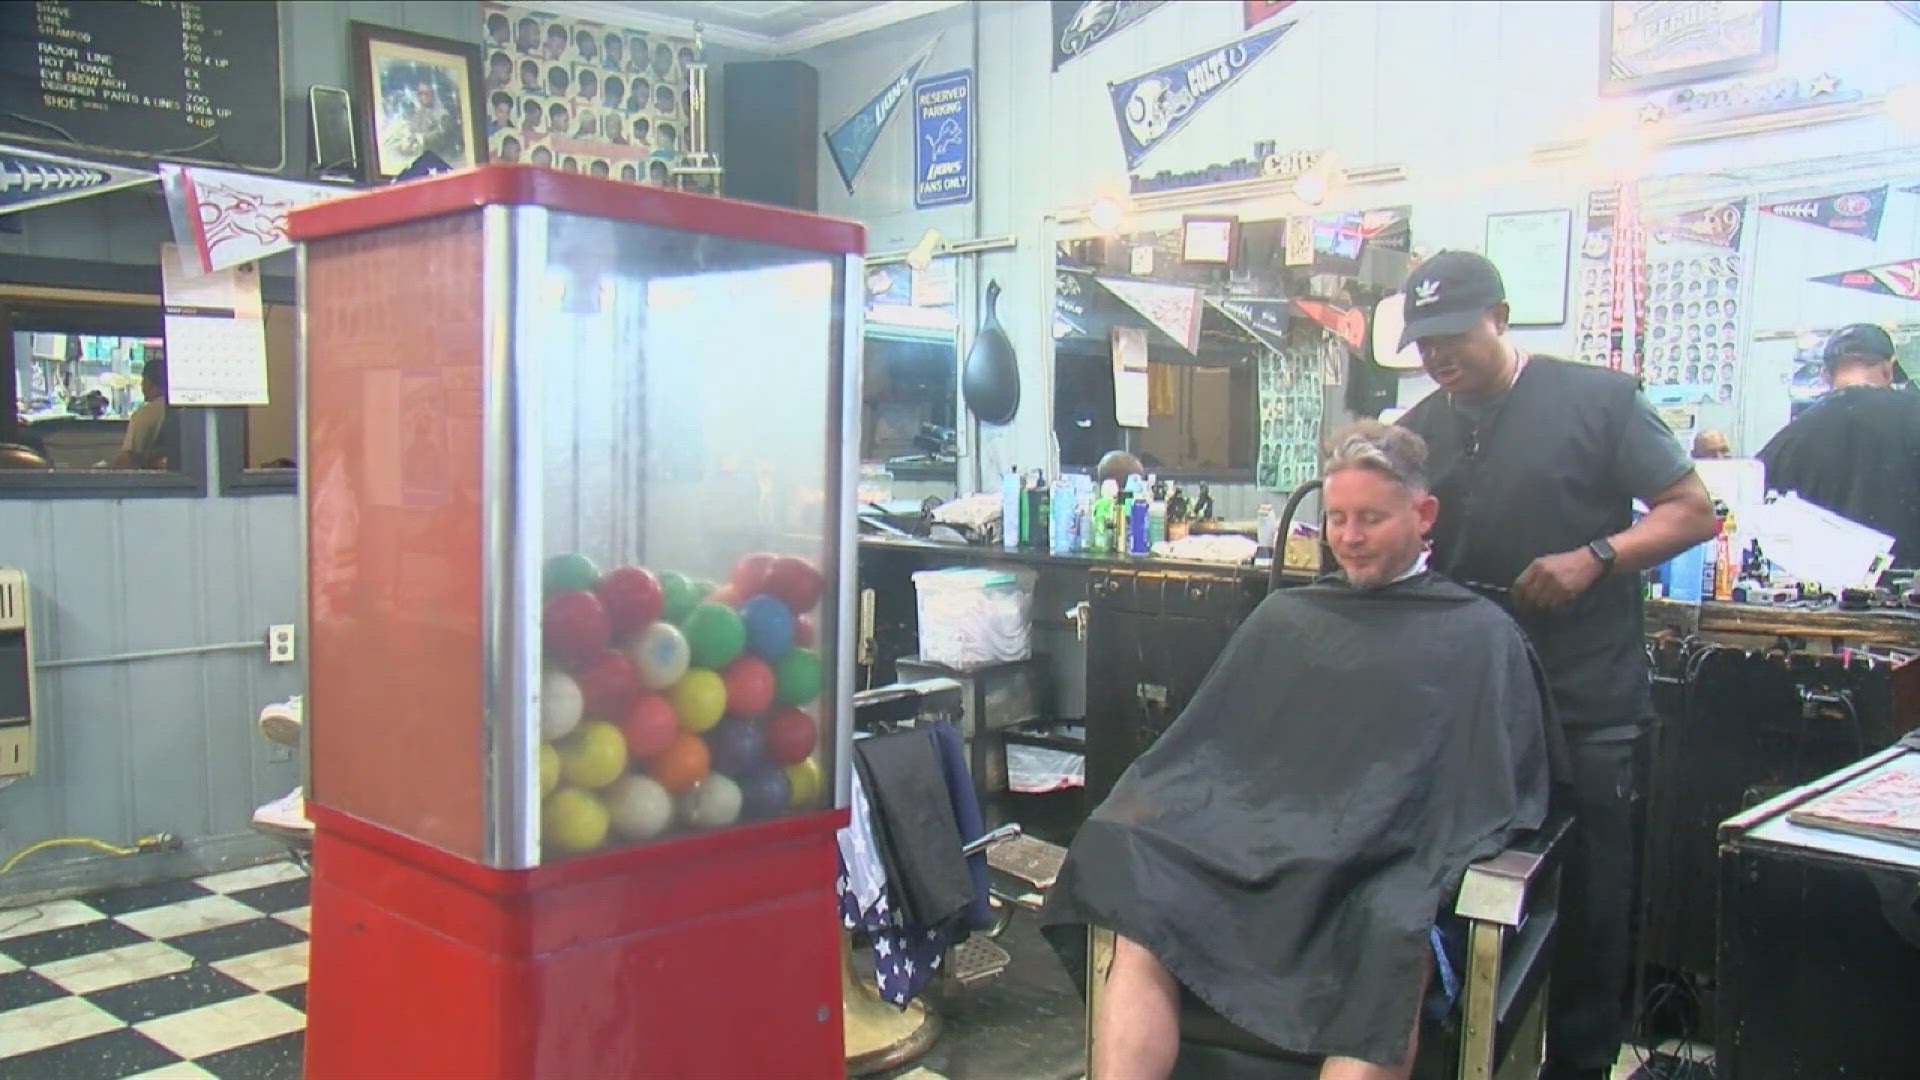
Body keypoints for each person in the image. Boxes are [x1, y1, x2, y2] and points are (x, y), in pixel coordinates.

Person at [1043, 422, 1559, 1080]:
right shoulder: (1288, 617)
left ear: (1423, 514)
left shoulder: (1481, 638)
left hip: (1383, 868)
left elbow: (1490, 794)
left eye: (1369, 518)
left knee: (1388, 933)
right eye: (1337, 517)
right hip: (1262, 847)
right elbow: (1210, 757)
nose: (1348, 537)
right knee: (1139, 885)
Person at [1394, 251, 1716, 1080]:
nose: (1437, 357)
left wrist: (1597, 555)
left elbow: (1692, 512)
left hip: (1585, 700)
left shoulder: (1598, 402)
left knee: (1594, 903)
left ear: (1501, 315)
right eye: (1423, 342)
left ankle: (1579, 1065)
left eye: (1453, 336)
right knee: (1459, 892)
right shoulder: (1424, 428)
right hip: (1471, 705)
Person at [1757, 323, 1920, 567]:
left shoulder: (1790, 437)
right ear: (1889, 368)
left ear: (1825, 375)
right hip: (1909, 592)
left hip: (1820, 595)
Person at [114, 357, 168, 469]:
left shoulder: (144, 415)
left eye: (143, 380)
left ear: (148, 382)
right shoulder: (185, 411)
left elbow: (128, 458)